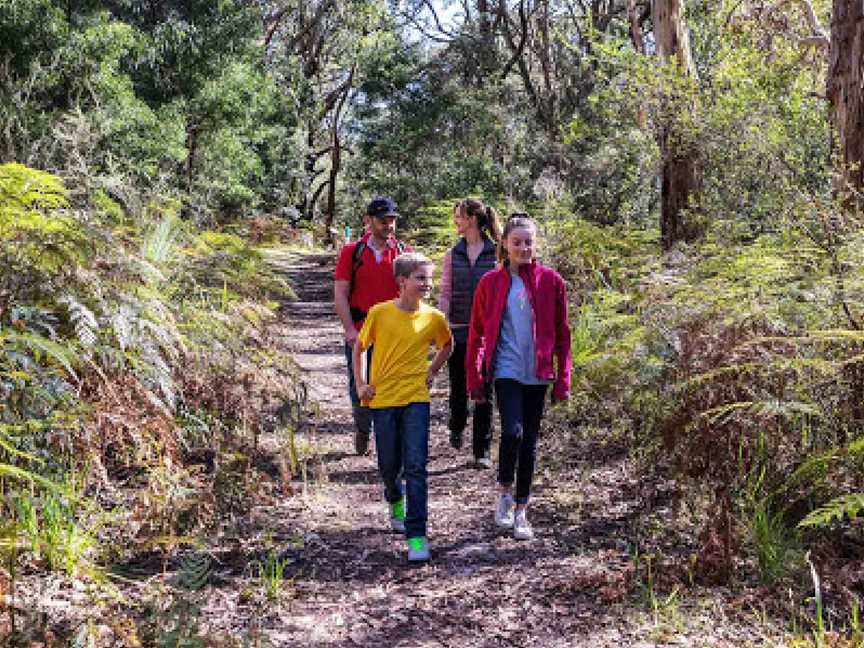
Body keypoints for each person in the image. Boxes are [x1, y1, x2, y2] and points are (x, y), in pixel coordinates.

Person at [466, 214, 572, 540]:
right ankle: (503, 494)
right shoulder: (491, 283)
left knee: (529, 443)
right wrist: (475, 375)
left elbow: (563, 334)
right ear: (505, 245)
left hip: (538, 372)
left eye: (528, 242)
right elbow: (478, 333)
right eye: (517, 242)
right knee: (512, 432)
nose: (523, 248)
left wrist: (563, 377)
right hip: (507, 369)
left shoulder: (552, 282)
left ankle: (522, 511)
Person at [353, 252, 453, 562]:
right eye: (421, 278)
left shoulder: (434, 317)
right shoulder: (380, 313)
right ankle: (394, 497)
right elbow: (359, 347)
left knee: (416, 465)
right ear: (402, 281)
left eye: (429, 278)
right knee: (388, 465)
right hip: (382, 399)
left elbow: (447, 344)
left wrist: (432, 370)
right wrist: (360, 384)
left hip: (416, 399)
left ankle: (417, 534)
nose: (427, 283)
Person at [334, 197, 409, 455]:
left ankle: (388, 442)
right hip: (361, 330)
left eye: (392, 220)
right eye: (382, 220)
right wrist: (349, 330)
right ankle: (363, 429)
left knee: (390, 386)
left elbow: (411, 295)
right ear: (368, 221)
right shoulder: (351, 252)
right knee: (360, 387)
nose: (388, 225)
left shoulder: (403, 253)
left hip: (394, 333)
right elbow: (341, 293)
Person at [438, 198, 502, 468]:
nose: (456, 222)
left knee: (484, 390)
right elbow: (445, 293)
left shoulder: (497, 253)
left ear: (473, 219)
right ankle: (456, 424)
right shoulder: (453, 255)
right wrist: (441, 326)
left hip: (488, 334)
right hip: (458, 330)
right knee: (458, 387)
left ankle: (482, 451)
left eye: (459, 217)